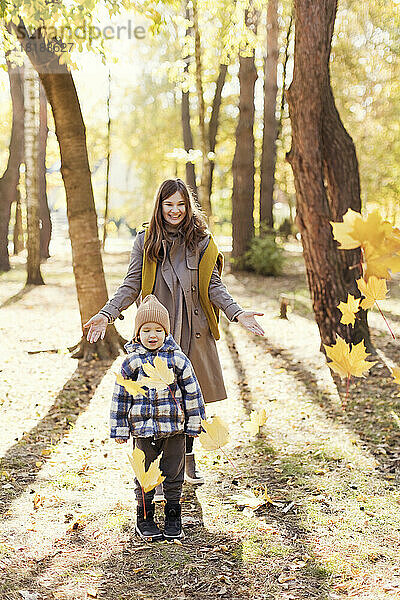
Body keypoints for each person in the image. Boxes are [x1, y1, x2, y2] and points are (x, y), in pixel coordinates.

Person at [84, 178, 264, 484]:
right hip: (158, 334)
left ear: (188, 205)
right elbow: (131, 284)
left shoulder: (202, 242)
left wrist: (237, 313)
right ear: (160, 206)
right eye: (169, 204)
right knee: (159, 395)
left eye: (181, 204)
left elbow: (214, 286)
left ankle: (188, 456)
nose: (175, 210)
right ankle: (158, 462)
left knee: (192, 397)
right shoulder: (145, 241)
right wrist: (106, 314)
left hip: (195, 331)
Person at [111, 294, 206, 541]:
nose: (152, 335)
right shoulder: (131, 362)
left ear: (166, 332)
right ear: (137, 333)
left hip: (174, 429)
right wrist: (120, 429)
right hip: (143, 431)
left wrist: (194, 423)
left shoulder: (177, 360)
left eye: (158, 330)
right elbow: (120, 397)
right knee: (145, 475)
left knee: (174, 474)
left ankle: (174, 516)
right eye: (146, 330)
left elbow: (193, 393)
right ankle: (145, 517)